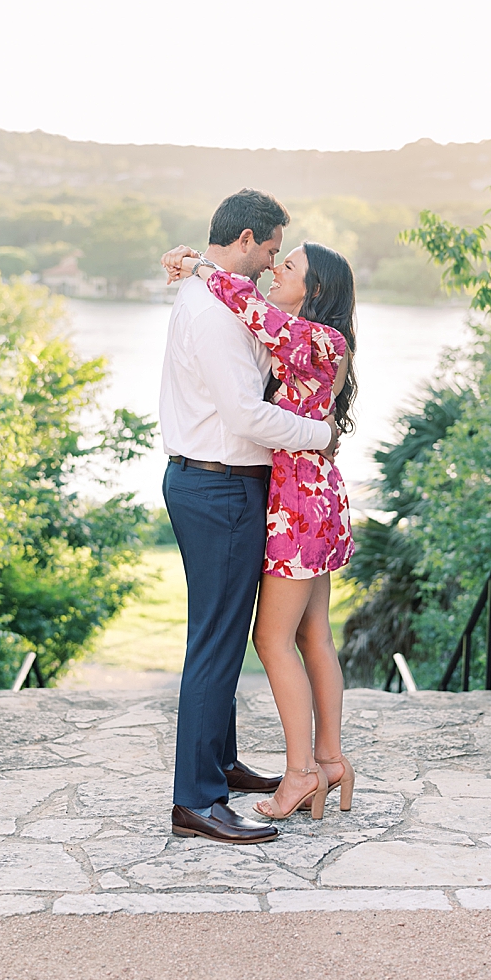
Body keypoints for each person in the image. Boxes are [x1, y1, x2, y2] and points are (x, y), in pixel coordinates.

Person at [159, 188, 339, 845]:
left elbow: (269, 343)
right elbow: (245, 416)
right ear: (244, 241)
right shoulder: (212, 313)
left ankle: (220, 765)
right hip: (219, 487)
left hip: (221, 485)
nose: (270, 264)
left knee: (225, 635)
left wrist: (191, 266)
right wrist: (323, 437)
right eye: (269, 250)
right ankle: (196, 801)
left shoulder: (223, 301)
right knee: (215, 641)